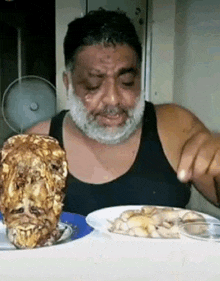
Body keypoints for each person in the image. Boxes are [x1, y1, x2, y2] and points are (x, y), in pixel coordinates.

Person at [27, 9, 220, 216]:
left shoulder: (176, 125)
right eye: (93, 85)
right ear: (69, 84)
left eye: (127, 82)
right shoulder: (36, 144)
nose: (113, 99)